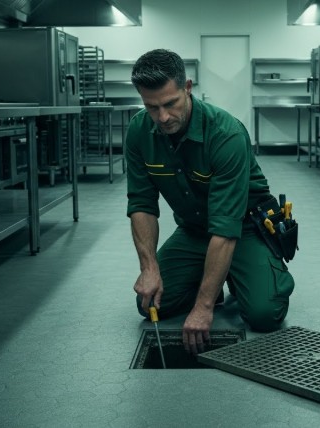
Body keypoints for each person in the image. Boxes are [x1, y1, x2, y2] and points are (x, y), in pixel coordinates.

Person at [125, 48, 295, 355]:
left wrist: (203, 308)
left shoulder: (226, 134)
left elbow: (226, 226)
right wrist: (148, 267)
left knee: (263, 314)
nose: (162, 117)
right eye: (152, 107)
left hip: (245, 229)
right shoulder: (138, 131)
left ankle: (238, 276)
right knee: (149, 304)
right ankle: (213, 280)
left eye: (170, 104)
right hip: (194, 231)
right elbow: (142, 204)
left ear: (187, 88)